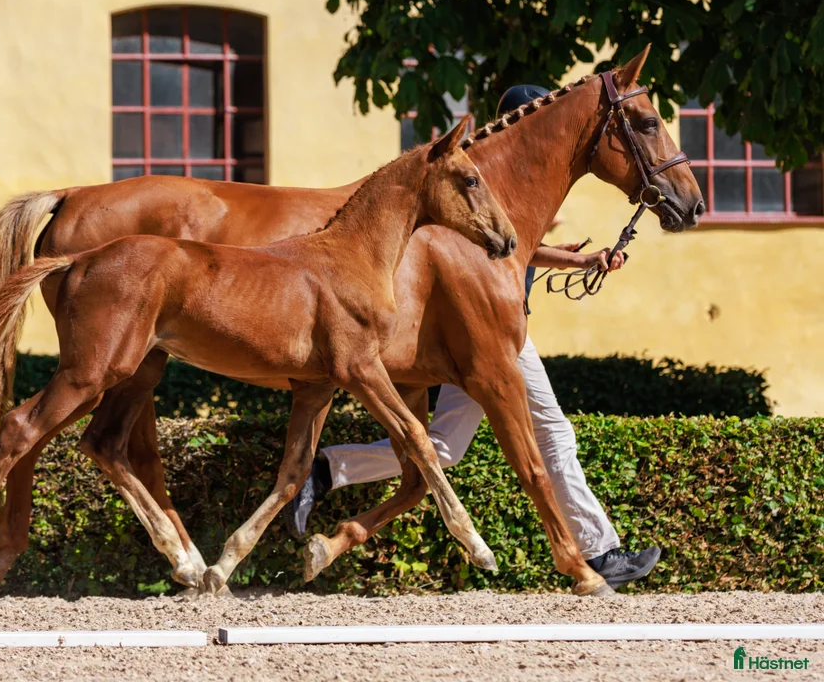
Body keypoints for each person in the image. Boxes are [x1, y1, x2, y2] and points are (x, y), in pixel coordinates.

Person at [283, 84, 661, 590]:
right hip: (495, 338)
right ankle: (600, 551)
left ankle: (329, 468)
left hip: (487, 335)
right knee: (553, 434)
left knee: (443, 446)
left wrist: (580, 258)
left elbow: (512, 252)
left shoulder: (495, 184)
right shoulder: (483, 183)